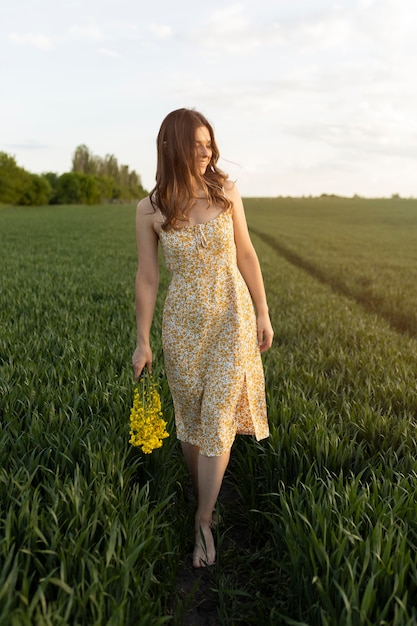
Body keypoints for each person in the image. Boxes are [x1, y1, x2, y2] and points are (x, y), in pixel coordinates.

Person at [132, 108, 274, 568]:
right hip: (183, 324)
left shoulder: (226, 191)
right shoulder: (149, 209)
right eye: (195, 142)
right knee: (191, 423)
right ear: (170, 145)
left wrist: (262, 312)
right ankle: (204, 497)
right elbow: (148, 278)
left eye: (209, 142)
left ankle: (203, 519)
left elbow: (247, 254)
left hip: (231, 317)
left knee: (217, 420)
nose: (205, 150)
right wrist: (143, 340)